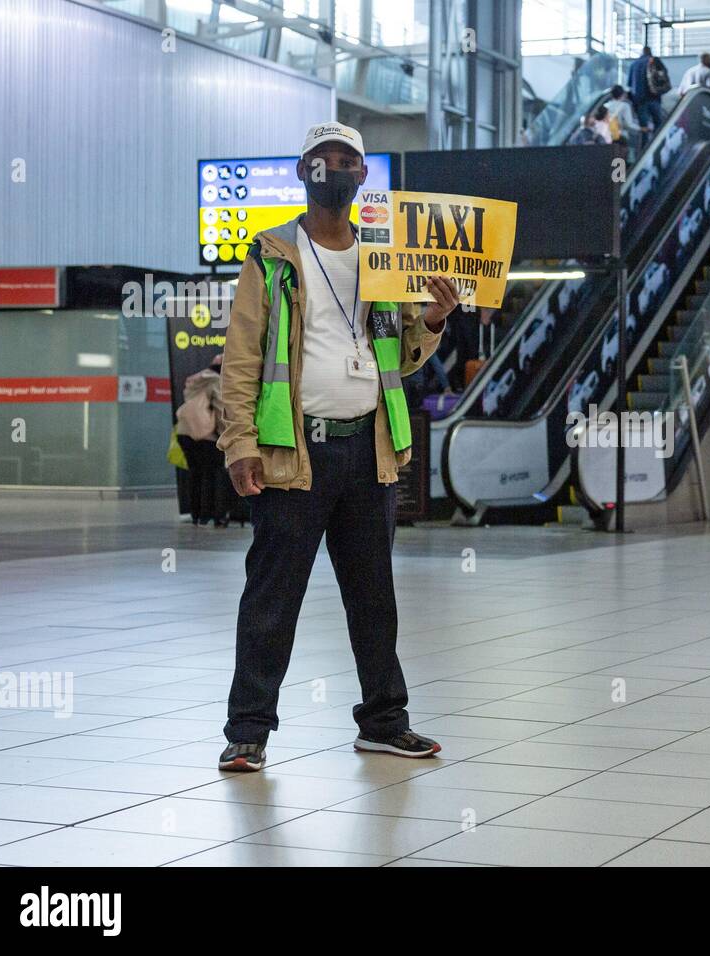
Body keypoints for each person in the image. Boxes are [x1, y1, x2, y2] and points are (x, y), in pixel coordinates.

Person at [216, 121, 459, 772]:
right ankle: (248, 732)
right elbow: (242, 359)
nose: (335, 167)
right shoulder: (271, 254)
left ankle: (384, 722)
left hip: (367, 451)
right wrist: (238, 442)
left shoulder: (382, 257)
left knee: (374, 596)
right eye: (322, 159)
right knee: (272, 596)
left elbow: (403, 356)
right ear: (303, 174)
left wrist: (434, 319)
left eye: (347, 159)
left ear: (361, 175)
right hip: (294, 456)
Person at [176, 353, 228, 526]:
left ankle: (196, 514)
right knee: (214, 474)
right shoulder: (216, 380)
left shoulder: (195, 379)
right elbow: (220, 409)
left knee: (195, 474)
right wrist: (225, 434)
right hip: (207, 434)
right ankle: (214, 515)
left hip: (185, 431)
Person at [628, 45, 669, 148]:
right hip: (654, 97)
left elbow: (629, 84)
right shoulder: (654, 61)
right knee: (658, 123)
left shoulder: (634, 65)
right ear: (651, 52)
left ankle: (644, 149)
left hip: (640, 100)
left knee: (643, 126)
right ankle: (657, 146)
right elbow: (662, 77)